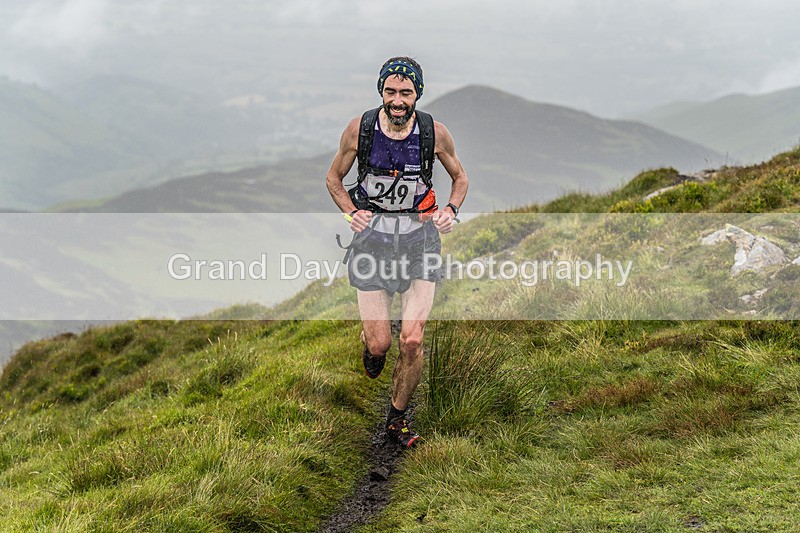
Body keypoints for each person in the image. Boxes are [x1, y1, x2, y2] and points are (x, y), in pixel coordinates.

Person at [326, 56, 468, 447]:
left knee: (411, 340)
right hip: (372, 244)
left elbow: (460, 177)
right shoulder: (361, 129)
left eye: (406, 92)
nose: (398, 100)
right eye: (391, 92)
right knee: (380, 345)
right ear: (381, 93)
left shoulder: (434, 133)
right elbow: (334, 178)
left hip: (420, 243)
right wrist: (351, 212)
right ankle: (370, 346)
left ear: (417, 93)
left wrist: (451, 210)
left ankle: (396, 419)